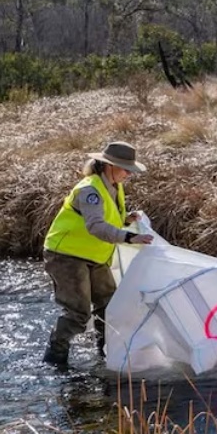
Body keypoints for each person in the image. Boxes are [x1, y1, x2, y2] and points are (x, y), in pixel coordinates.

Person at [41, 141, 153, 368]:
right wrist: (129, 237)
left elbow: (106, 218)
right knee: (78, 314)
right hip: (66, 256)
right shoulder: (89, 190)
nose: (129, 174)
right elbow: (95, 226)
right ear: (109, 166)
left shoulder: (114, 186)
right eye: (125, 169)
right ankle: (54, 360)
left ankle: (107, 355)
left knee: (109, 307)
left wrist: (125, 220)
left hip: (96, 257)